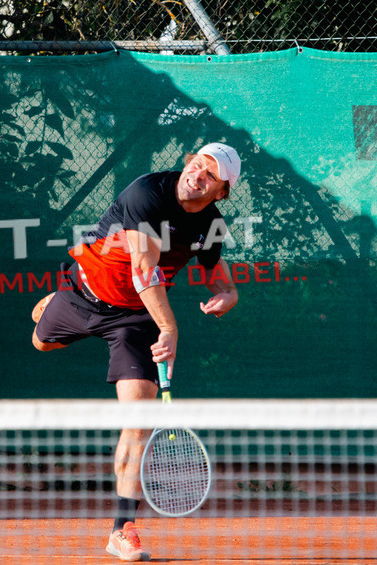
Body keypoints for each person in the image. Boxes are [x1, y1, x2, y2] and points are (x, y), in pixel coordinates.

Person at [31, 142, 241, 562]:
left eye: (210, 175)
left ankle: (121, 529)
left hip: (135, 318)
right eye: (197, 165)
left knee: (139, 422)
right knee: (42, 342)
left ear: (221, 191)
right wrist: (170, 328)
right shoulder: (147, 192)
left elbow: (216, 273)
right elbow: (144, 268)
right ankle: (52, 304)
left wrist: (229, 293)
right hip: (83, 294)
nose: (197, 175)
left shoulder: (211, 224)